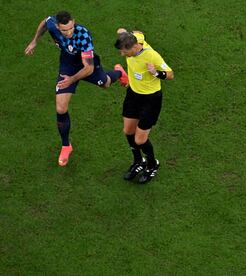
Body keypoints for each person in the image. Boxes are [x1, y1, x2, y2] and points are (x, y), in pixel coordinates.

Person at [24, 11, 128, 166]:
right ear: (58, 26)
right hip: (67, 64)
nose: (68, 32)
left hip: (86, 65)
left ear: (74, 22)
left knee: (105, 83)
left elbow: (88, 68)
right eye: (64, 30)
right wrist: (34, 41)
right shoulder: (53, 24)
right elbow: (44, 23)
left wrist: (71, 80)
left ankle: (119, 72)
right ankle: (66, 145)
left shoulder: (83, 35)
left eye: (71, 28)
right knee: (61, 108)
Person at [114, 29, 174, 184]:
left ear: (133, 47)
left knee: (140, 140)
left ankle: (152, 164)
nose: (122, 55)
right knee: (128, 131)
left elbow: (170, 74)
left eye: (124, 52)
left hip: (151, 100)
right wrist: (123, 32)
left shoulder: (152, 55)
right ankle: (138, 161)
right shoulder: (135, 38)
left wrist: (155, 73)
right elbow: (123, 30)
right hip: (133, 95)